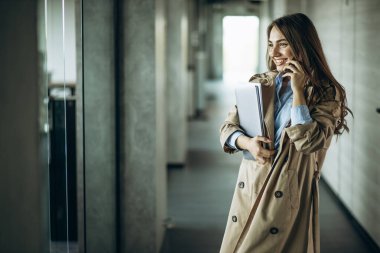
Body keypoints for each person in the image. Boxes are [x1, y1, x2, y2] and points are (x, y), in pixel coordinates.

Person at [219, 13, 351, 253]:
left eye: (283, 44)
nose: (274, 53)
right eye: (271, 44)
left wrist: (298, 92)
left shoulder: (326, 93)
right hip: (251, 182)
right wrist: (248, 144)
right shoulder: (260, 83)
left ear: (301, 46)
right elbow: (227, 128)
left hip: (287, 190)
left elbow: (310, 144)